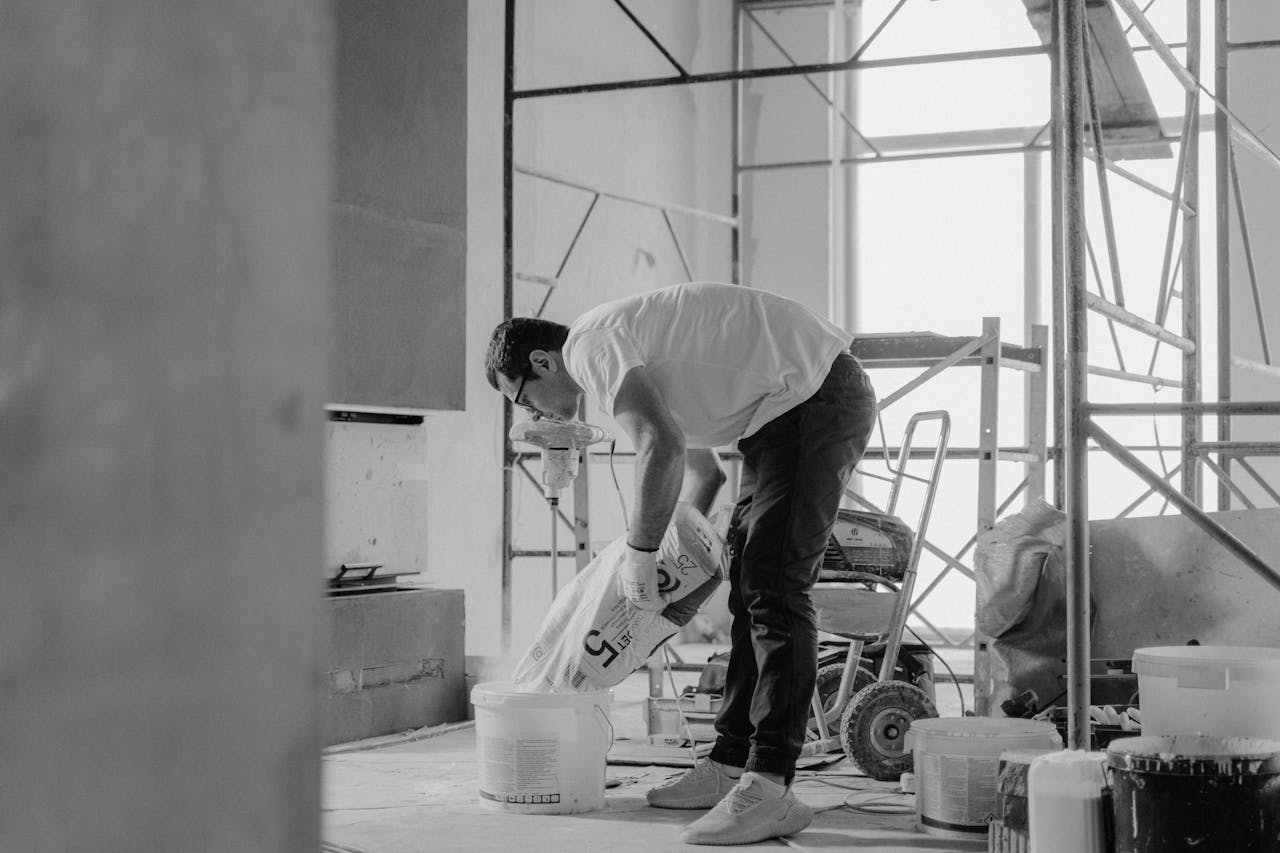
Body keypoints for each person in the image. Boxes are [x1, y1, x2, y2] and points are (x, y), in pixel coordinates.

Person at [484, 282, 877, 846]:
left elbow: (660, 446)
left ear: (543, 361)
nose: (531, 412)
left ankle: (770, 786)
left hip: (815, 397)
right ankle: (730, 762)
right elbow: (705, 473)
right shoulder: (629, 359)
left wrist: (640, 561)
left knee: (775, 588)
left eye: (522, 397)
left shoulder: (589, 347)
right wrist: (676, 556)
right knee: (750, 588)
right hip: (782, 413)